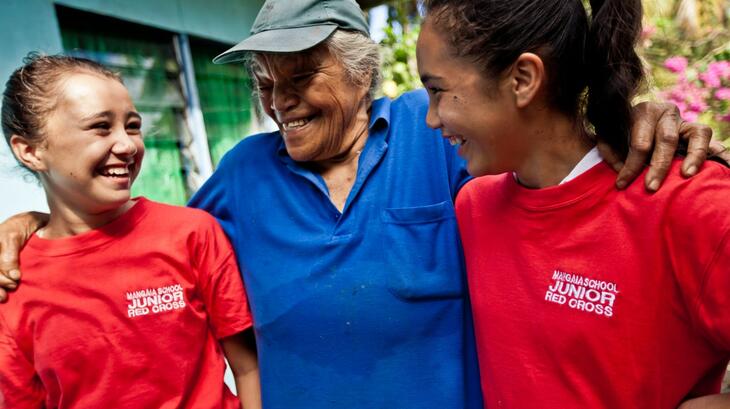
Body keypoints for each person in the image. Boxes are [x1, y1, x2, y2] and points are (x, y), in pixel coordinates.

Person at [0, 1, 725, 408]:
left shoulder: (440, 140)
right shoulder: (244, 173)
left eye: (301, 72)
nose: (278, 96)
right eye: (264, 77)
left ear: (359, 73)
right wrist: (33, 221)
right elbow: (139, 242)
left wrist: (628, 117)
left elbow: (544, 150)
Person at [416, 0, 730, 408]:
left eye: (438, 91)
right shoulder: (475, 208)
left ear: (524, 78)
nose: (431, 119)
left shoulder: (686, 201)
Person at [0, 54, 261, 409]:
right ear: (30, 151)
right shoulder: (12, 281)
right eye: (100, 127)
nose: (127, 145)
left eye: (133, 126)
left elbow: (248, 368)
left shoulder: (191, 234)